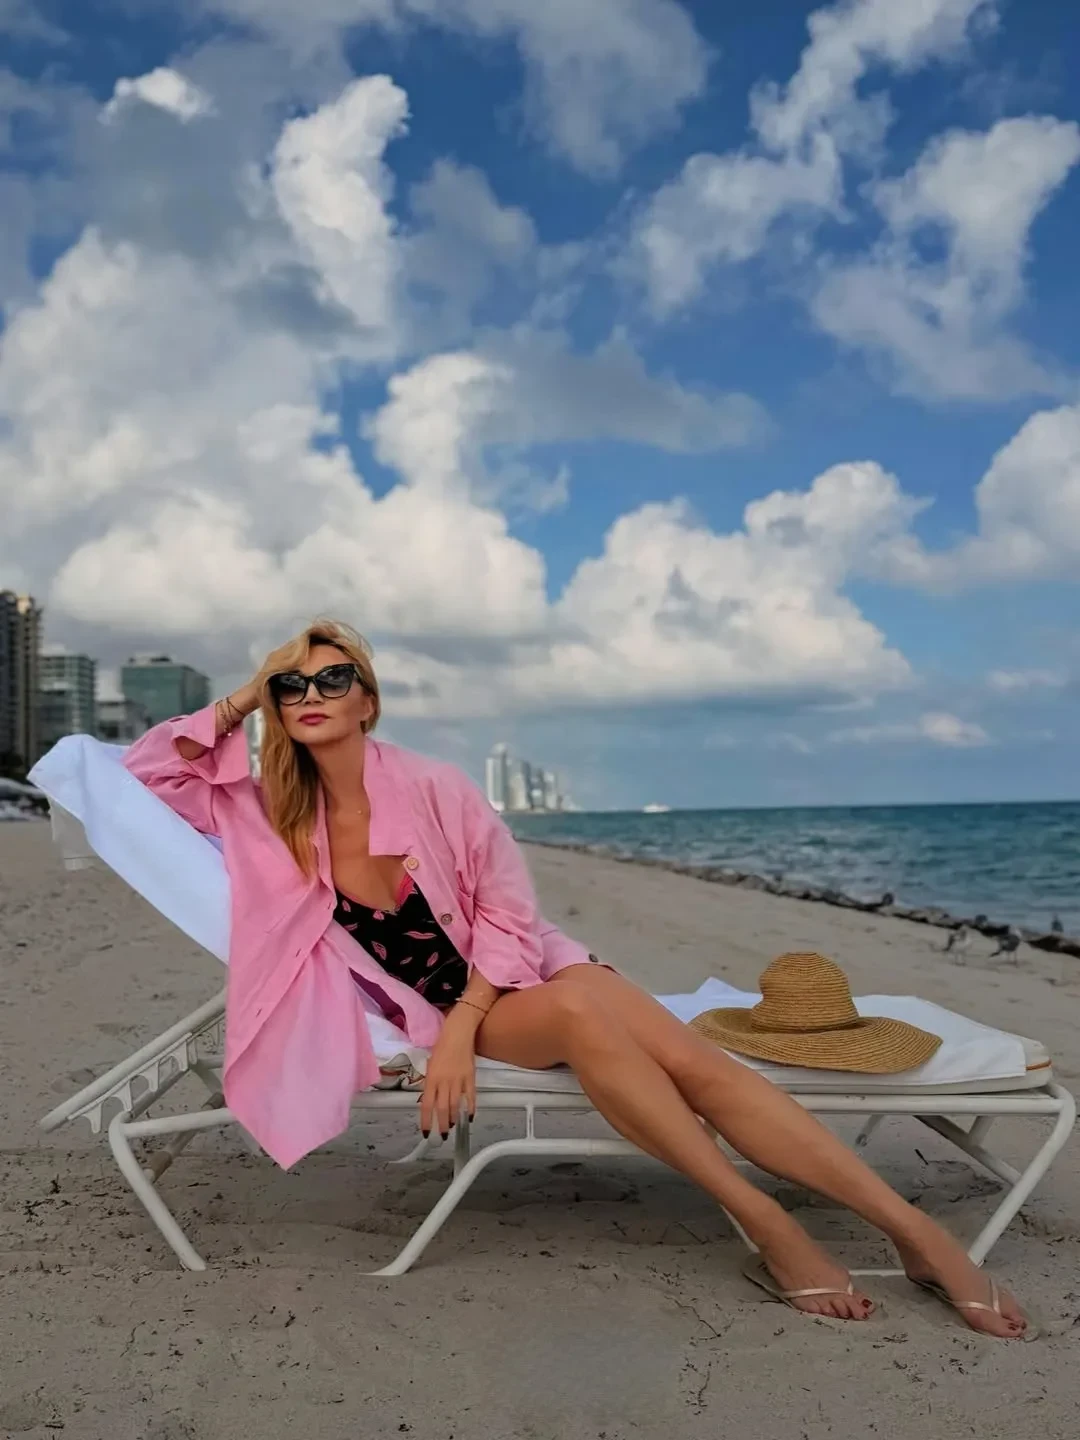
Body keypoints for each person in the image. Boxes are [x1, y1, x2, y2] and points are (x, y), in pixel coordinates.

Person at [124, 619, 1025, 1337]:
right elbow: (145, 775)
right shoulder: (266, 813)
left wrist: (468, 1029)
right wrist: (245, 695)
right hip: (446, 1003)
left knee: (689, 1058)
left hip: (513, 972)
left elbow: (510, 913)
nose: (310, 695)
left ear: (369, 701)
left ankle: (914, 1233)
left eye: (332, 679)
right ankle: (771, 1222)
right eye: (291, 686)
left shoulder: (435, 787)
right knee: (588, 1018)